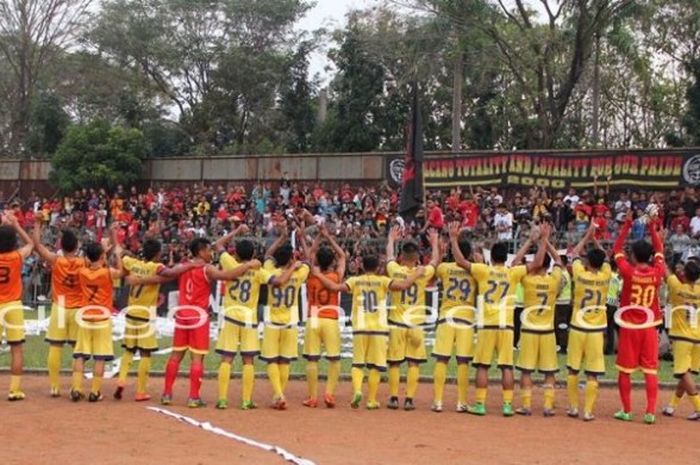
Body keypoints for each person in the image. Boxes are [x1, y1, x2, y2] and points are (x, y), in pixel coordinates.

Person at [450, 222, 549, 416]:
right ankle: (507, 405)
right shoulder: (513, 272)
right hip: (507, 326)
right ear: (506, 258)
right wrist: (542, 240)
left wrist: (454, 239)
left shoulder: (482, 270)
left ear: (491, 257)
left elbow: (461, 261)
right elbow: (537, 263)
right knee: (506, 367)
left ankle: (480, 404)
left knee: (482, 366)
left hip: (487, 325)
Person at [310, 255, 426, 409]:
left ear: (362, 266)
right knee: (375, 366)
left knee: (358, 364)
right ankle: (371, 400)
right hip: (378, 329)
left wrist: (318, 275)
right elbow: (404, 285)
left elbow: (334, 288)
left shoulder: (355, 281)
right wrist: (416, 274)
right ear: (378, 267)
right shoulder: (384, 281)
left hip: (360, 328)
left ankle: (357, 390)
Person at [160, 238, 261, 408]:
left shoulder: (184, 266)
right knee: (197, 358)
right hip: (198, 317)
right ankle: (193, 397)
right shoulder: (207, 268)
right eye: (208, 250)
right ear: (200, 251)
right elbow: (228, 276)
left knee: (176, 356)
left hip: (182, 315)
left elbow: (168, 272)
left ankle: (167, 394)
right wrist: (249, 265)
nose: (210, 253)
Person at [214, 230, 295, 410]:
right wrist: (293, 268)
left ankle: (222, 399)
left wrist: (235, 231)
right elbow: (280, 281)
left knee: (227, 358)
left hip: (230, 316)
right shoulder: (258, 272)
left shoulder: (229, 263)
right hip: (249, 319)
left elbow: (218, 245)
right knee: (248, 361)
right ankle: (245, 400)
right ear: (252, 255)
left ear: (235, 253)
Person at [115, 239, 193, 401]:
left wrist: (118, 241)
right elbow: (171, 273)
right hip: (146, 317)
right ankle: (140, 391)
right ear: (158, 254)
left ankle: (121, 381)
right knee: (145, 354)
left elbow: (121, 254)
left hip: (130, 313)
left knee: (129, 350)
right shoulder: (155, 268)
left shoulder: (132, 263)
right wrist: (190, 265)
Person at [612, 212, 666, 424]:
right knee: (650, 370)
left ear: (633, 255)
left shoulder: (628, 271)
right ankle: (650, 412)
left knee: (625, 371)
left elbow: (616, 249)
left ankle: (627, 410)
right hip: (650, 327)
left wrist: (626, 225)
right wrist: (652, 228)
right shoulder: (657, 271)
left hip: (630, 327)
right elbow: (660, 249)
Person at [385, 226, 439, 411]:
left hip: (397, 323)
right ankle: (409, 399)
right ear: (417, 257)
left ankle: (393, 398)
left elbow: (389, 257)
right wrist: (434, 243)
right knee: (414, 363)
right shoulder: (423, 273)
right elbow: (435, 260)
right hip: (416, 324)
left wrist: (391, 239)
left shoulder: (395, 270)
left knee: (394, 362)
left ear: (402, 256)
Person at [32, 216, 85, 397]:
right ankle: (76, 387)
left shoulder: (56, 260)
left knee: (55, 346)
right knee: (77, 349)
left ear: (61, 246)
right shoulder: (82, 262)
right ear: (77, 246)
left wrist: (37, 225)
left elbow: (37, 246)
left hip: (60, 306)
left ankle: (54, 386)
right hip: (78, 308)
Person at [513, 233, 563, 417]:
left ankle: (526, 406)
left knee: (526, 370)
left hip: (529, 331)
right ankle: (548, 407)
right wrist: (545, 240)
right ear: (548, 266)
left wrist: (531, 241)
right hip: (548, 332)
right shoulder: (553, 280)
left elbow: (516, 263)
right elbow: (558, 258)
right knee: (549, 371)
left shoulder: (528, 280)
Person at [565, 223, 611, 421]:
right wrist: (595, 239)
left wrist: (586, 236)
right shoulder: (606, 275)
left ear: (587, 261)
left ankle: (574, 408)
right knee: (592, 373)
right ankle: (588, 411)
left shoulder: (580, 273)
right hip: (595, 330)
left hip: (577, 327)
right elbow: (606, 257)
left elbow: (574, 253)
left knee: (573, 369)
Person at [71, 231, 124, 402]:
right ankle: (95, 391)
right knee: (100, 357)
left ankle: (76, 388)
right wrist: (117, 254)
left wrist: (103, 252)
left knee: (80, 354)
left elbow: (91, 261)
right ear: (102, 256)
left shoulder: (82, 272)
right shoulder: (107, 273)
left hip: (85, 316)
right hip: (101, 317)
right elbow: (121, 271)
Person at [261, 235, 309, 410]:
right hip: (290, 322)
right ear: (291, 259)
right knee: (285, 361)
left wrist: (281, 237)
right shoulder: (299, 273)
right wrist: (296, 261)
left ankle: (278, 394)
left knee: (272, 360)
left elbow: (267, 254)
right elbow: (309, 260)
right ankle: (279, 394)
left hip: (272, 322)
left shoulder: (269, 271)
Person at [432, 230, 477, 413]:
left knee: (442, 360)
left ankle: (438, 401)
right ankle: (462, 402)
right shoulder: (475, 270)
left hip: (446, 317)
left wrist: (440, 251)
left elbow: (434, 270)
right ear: (470, 254)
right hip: (465, 318)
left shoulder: (445, 268)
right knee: (463, 362)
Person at [301, 226, 346, 408]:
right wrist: (329, 237)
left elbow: (309, 254)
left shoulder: (312, 274)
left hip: (313, 317)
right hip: (330, 318)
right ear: (332, 261)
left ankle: (312, 397)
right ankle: (329, 393)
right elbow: (343, 256)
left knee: (312, 359)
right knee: (334, 359)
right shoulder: (336, 276)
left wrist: (319, 237)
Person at [0, 212, 34, 400]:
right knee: (16, 349)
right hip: (13, 306)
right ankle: (14, 390)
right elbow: (31, 244)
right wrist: (16, 225)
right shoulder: (16, 257)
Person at [662, 259, 700, 420]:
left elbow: (663, 267)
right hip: (697, 337)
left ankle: (699, 406)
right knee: (686, 374)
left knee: (682, 372)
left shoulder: (677, 286)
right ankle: (671, 406)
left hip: (682, 337)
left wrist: (659, 247)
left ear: (684, 273)